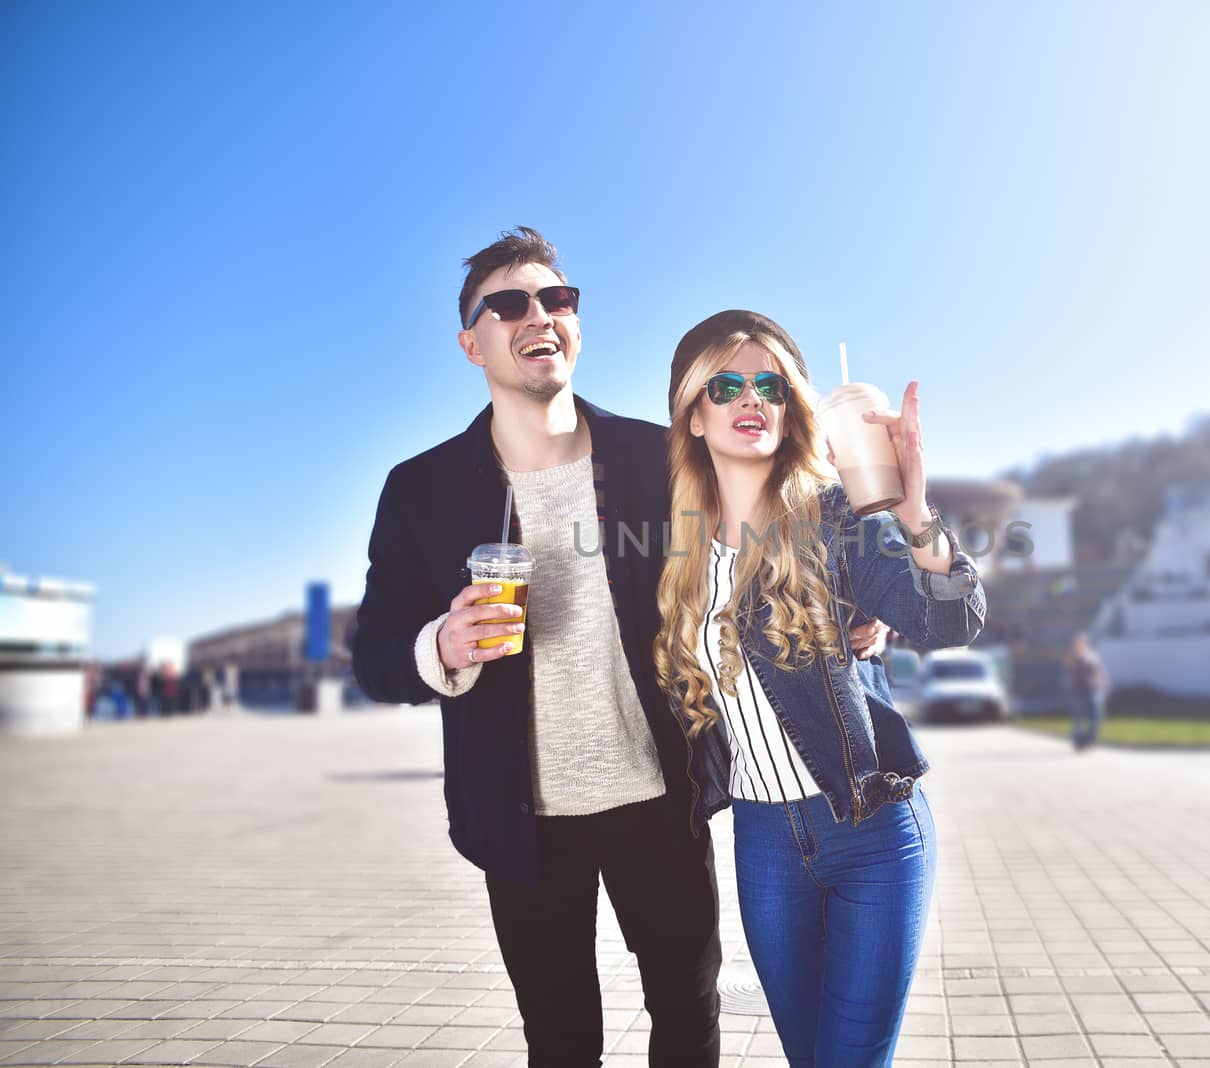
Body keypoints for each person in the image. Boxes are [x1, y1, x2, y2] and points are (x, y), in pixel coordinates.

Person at [351, 229, 885, 1067]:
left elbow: (765, 528)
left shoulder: (658, 456)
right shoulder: (421, 488)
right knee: (560, 1042)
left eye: (558, 299)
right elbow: (375, 655)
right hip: (519, 821)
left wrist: (857, 598)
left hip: (658, 799)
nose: (541, 315)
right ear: (472, 342)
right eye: (511, 304)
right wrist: (442, 645)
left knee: (688, 1017)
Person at [654, 310, 987, 1067]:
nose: (751, 397)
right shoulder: (672, 551)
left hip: (870, 826)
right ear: (694, 416)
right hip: (763, 843)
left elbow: (952, 621)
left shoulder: (837, 516)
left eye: (769, 384)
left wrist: (914, 513)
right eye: (725, 383)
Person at [1063, 632, 1110, 751]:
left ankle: (1089, 740)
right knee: (1078, 718)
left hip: (1093, 689)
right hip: (1078, 690)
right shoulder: (1072, 655)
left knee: (1096, 716)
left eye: (1083, 642)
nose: (1080, 644)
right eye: (1078, 642)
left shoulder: (1093, 655)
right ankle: (1078, 742)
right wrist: (1077, 656)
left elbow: (1099, 670)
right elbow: (1069, 666)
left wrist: (1104, 682)